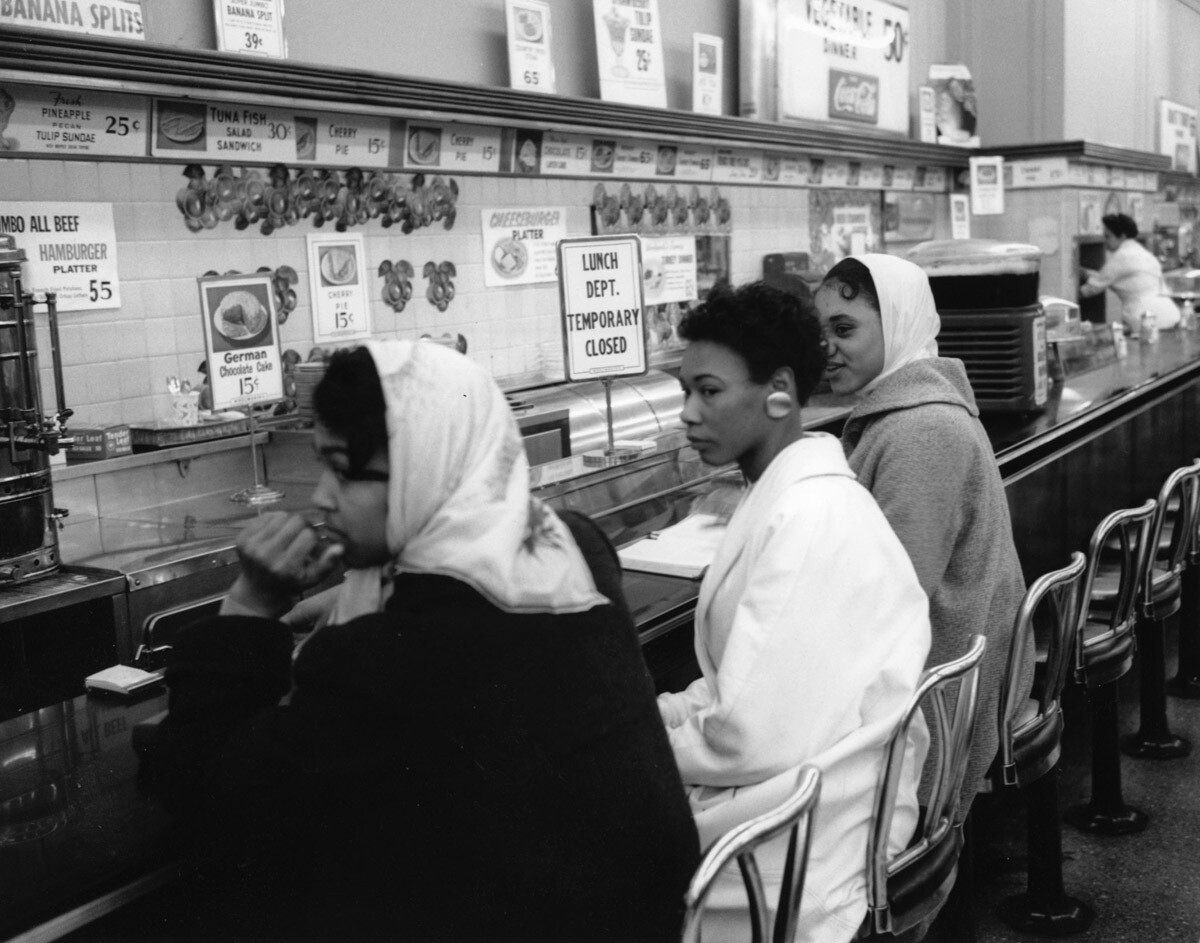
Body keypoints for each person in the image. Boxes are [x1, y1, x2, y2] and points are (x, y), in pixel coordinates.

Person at [140, 339, 700, 941]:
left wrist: (247, 607)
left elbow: (215, 797)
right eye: (322, 462)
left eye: (349, 471)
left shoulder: (393, 655)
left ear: (429, 464)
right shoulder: (571, 545)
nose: (323, 495)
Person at [658, 281, 932, 942]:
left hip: (805, 850)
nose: (688, 413)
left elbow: (748, 734)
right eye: (684, 392)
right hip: (825, 796)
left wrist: (643, 740)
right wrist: (664, 714)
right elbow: (752, 689)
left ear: (779, 390)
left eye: (709, 390)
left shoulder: (806, 514)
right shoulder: (795, 494)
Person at [815, 253, 1029, 824]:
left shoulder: (920, 431)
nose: (827, 347)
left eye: (844, 329)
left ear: (901, 324)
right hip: (949, 666)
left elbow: (895, 602)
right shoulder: (908, 410)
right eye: (821, 332)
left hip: (942, 692)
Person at [1080, 212, 1180, 335]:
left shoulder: (1122, 256)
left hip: (1145, 318)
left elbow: (1093, 287)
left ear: (1122, 236)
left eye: (1108, 236)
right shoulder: (1143, 253)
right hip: (1170, 314)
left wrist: (1070, 294)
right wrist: (1083, 271)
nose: (1105, 241)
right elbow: (1103, 277)